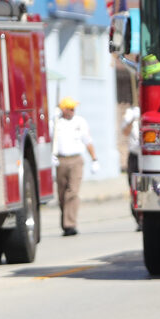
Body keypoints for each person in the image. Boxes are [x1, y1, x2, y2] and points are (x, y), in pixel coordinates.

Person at [52, 96, 98, 236]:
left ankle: (70, 224)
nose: (72, 111)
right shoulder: (55, 122)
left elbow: (88, 141)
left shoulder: (80, 122)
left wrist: (94, 159)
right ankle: (66, 223)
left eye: (73, 108)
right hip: (61, 160)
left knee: (72, 192)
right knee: (62, 194)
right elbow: (48, 140)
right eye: (69, 108)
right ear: (63, 109)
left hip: (76, 160)